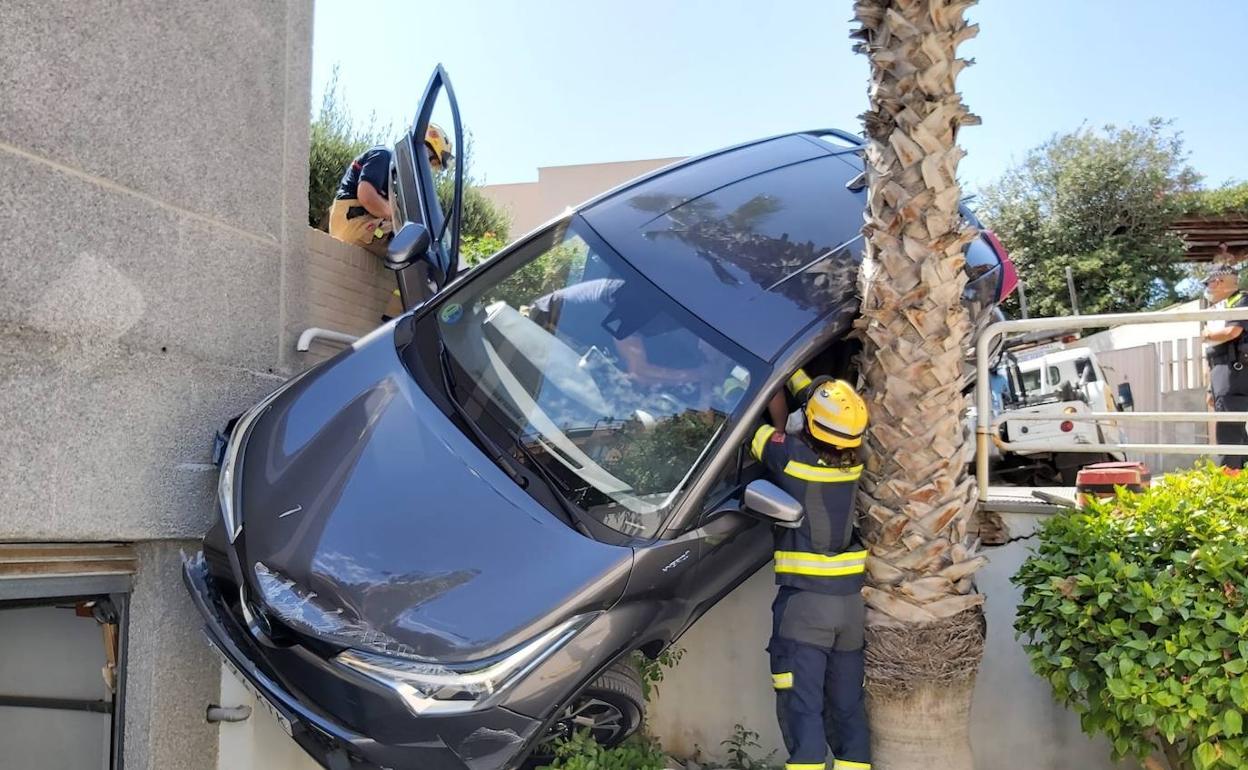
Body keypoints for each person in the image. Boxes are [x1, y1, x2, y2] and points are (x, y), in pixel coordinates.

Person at [751, 377, 871, 770]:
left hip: (805, 611)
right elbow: (817, 405)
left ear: (810, 424)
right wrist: (807, 381)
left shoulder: (790, 458)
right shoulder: (856, 462)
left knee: (803, 711)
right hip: (850, 611)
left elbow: (752, 428)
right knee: (848, 710)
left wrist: (781, 377)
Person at [328, 123, 454, 257]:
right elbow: (366, 196)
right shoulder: (383, 156)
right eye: (432, 162)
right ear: (423, 151)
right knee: (412, 243)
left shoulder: (399, 176)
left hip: (361, 224)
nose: (429, 168)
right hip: (352, 223)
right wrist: (398, 219)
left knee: (413, 241)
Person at [1201, 265, 1248, 468]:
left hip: (1234, 370)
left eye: (1208, 283)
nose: (1208, 288)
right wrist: (1210, 387)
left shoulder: (1241, 300)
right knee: (1234, 429)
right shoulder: (1220, 307)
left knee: (1229, 431)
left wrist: (1207, 335)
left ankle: (1228, 483)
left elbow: (1232, 332)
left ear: (1219, 282)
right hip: (1221, 371)